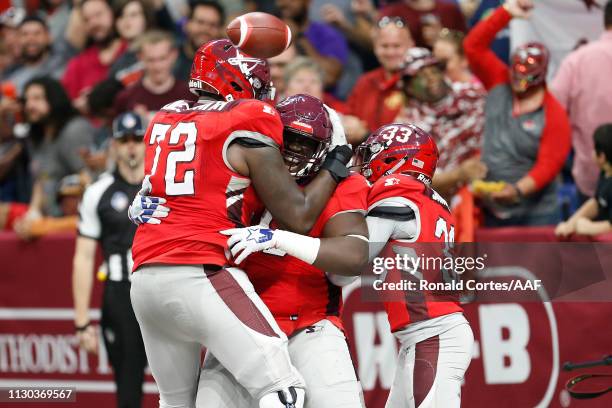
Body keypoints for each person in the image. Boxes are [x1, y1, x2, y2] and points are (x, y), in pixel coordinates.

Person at [127, 39, 353, 408]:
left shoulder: (164, 116)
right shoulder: (247, 118)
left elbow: (168, 189)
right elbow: (298, 214)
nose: (265, 96)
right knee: (284, 391)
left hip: (145, 277)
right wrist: (337, 161)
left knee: (174, 402)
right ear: (237, 81)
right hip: (200, 269)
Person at [225, 123, 474, 407]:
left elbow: (349, 264)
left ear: (396, 158)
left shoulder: (399, 192)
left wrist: (286, 239)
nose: (366, 163)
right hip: (426, 335)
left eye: (375, 154)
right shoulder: (432, 200)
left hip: (433, 335)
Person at [195, 94, 368, 408]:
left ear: (325, 150)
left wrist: (277, 239)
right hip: (240, 328)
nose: (292, 154)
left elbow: (353, 256)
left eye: (306, 146)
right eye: (287, 141)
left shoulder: (342, 186)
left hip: (309, 324)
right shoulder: (240, 174)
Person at [464, 0, 571, 226]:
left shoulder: (554, 113)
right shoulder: (498, 79)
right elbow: (472, 46)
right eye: (517, 76)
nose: (520, 84)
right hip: (491, 205)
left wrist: (518, 190)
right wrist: (505, 13)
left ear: (542, 76)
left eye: (527, 78)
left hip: (535, 212)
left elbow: (549, 164)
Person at [73, 112, 148, 408]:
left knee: (184, 382)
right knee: (128, 386)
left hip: (165, 289)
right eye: (123, 140)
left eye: (137, 139)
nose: (131, 146)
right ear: (113, 146)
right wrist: (81, 323)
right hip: (120, 292)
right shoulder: (97, 192)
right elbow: (83, 257)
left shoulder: (166, 184)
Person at [395, 47, 486, 199]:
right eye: (421, 75)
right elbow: (414, 181)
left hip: (491, 182)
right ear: (409, 87)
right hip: (444, 202)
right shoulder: (407, 129)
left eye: (434, 71)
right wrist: (459, 174)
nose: (432, 78)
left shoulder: (472, 95)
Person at [550, 0, 612, 201]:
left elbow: (551, 113)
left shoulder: (576, 60)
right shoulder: (576, 61)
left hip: (590, 175)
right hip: (594, 178)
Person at [18, 77, 94, 221]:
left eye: (37, 98)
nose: (29, 105)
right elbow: (41, 178)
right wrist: (33, 212)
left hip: (77, 219)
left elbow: (88, 178)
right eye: (27, 100)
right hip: (51, 218)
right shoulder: (37, 134)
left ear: (54, 99)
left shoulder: (73, 130)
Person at [345, 16, 414, 143]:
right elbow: (349, 117)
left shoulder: (418, 83)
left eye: (396, 46)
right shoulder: (365, 81)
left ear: (411, 45)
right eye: (384, 46)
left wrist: (366, 136)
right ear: (375, 47)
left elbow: (413, 141)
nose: (390, 52)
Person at [62, 0, 127, 112]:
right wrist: (80, 105)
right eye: (87, 19)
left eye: (98, 15)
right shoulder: (77, 64)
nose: (94, 23)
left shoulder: (133, 50)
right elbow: (66, 106)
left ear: (112, 14)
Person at [114, 30, 193, 118]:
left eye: (162, 58)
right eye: (151, 60)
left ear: (174, 55)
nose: (157, 66)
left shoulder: (190, 96)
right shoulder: (126, 99)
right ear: (140, 57)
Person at [276, 0, 349, 88]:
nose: (284, 3)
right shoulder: (265, 33)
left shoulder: (327, 34)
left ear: (308, 2)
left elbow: (331, 77)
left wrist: (299, 37)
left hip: (317, 98)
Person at [555, 124, 612, 237]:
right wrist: (571, 223)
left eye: (594, 148)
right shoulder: (605, 172)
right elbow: (597, 202)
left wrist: (590, 228)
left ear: (601, 156)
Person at [3, 15, 70, 95]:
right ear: (19, 40)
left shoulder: (64, 61)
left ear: (49, 37)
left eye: (37, 33)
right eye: (25, 34)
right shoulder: (10, 75)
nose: (31, 38)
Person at [379, 0, 467, 48]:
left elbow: (464, 46)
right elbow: (382, 46)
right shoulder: (390, 13)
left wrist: (442, 36)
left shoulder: (450, 10)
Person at [174, 0, 225, 81]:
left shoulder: (226, 66)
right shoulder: (171, 58)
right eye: (200, 22)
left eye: (213, 25)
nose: (205, 29)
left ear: (220, 30)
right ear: (187, 24)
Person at [283, 57, 347, 115]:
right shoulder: (276, 114)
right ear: (287, 88)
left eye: (313, 81)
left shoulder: (336, 115)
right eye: (300, 81)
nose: (307, 85)